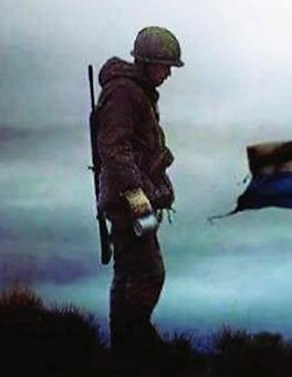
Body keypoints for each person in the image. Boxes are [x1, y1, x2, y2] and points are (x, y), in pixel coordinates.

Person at [92, 26, 183, 359]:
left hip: (131, 200)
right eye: (164, 65)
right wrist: (138, 196)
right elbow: (113, 147)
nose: (169, 73)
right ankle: (135, 340)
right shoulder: (124, 93)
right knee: (148, 272)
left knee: (128, 272)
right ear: (146, 62)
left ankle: (125, 349)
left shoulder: (135, 91)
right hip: (129, 202)